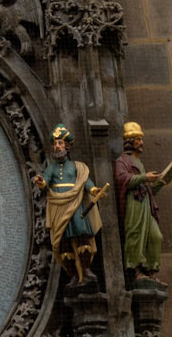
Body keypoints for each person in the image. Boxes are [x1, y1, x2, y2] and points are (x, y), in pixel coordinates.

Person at [32, 124, 105, 285]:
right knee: (63, 241)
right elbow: (45, 182)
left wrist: (93, 190)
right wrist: (40, 182)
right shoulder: (51, 168)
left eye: (60, 143)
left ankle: (85, 270)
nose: (57, 147)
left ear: (67, 146)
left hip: (75, 203)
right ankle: (72, 274)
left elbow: (84, 181)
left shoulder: (76, 167)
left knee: (82, 236)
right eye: (55, 144)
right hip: (59, 205)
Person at [114, 120, 164, 281]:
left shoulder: (139, 163)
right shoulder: (122, 161)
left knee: (155, 236)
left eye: (141, 139)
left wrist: (159, 183)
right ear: (130, 142)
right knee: (135, 235)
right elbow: (122, 179)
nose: (141, 143)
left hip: (145, 203)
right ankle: (136, 270)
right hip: (134, 203)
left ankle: (152, 271)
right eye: (138, 139)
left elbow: (146, 188)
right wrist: (144, 177)